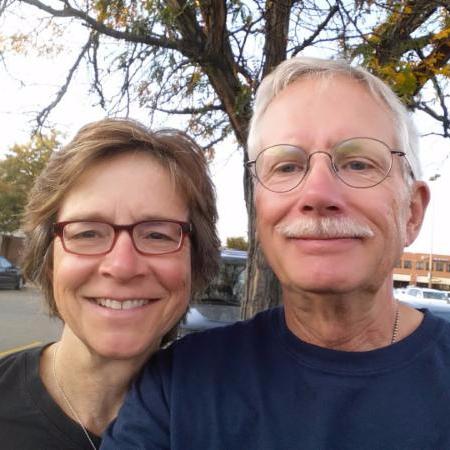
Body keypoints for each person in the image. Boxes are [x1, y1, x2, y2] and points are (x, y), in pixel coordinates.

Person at [102, 57, 450, 450]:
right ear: (258, 211)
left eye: (357, 163)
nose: (317, 193)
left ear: (412, 212)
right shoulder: (176, 387)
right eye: (287, 167)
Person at [0, 118, 220, 449]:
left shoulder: (231, 420)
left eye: (157, 235)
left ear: (195, 262)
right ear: (50, 260)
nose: (122, 267)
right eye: (88, 233)